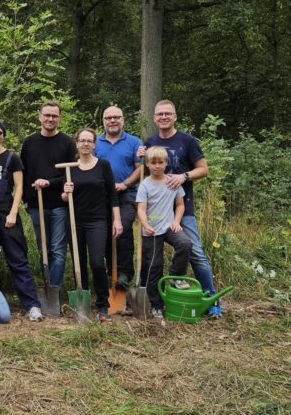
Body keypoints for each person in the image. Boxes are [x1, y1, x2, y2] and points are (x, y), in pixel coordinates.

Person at [139, 99, 222, 318]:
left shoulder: (187, 141)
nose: (164, 117)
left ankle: (212, 300)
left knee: (195, 252)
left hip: (182, 209)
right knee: (152, 260)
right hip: (156, 213)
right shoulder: (150, 141)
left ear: (175, 116)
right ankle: (156, 299)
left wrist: (183, 176)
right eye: (160, 114)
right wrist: (138, 158)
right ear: (154, 118)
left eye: (168, 113)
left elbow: (203, 169)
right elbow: (143, 170)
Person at [0, 120, 44, 322]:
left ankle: (32, 305)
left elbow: (19, 188)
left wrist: (13, 213)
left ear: (3, 135)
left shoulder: (12, 158)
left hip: (6, 215)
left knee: (17, 260)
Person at [61, 128, 122, 322]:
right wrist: (66, 191)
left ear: (95, 144)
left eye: (89, 141)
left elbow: (112, 195)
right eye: (82, 141)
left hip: (98, 220)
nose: (86, 144)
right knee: (78, 264)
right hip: (74, 221)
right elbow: (64, 198)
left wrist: (117, 219)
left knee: (97, 262)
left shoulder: (103, 165)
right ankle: (83, 303)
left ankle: (103, 304)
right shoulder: (70, 167)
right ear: (77, 143)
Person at [20, 101, 76, 288]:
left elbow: (71, 174)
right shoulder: (29, 143)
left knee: (58, 250)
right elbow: (24, 173)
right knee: (43, 249)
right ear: (40, 116)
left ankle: (54, 289)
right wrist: (26, 199)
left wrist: (49, 182)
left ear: (59, 118)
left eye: (54, 116)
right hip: (37, 205)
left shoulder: (67, 142)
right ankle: (46, 287)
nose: (50, 119)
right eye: (47, 115)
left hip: (60, 204)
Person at [136, 146, 191, 318]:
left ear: (166, 163)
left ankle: (175, 276)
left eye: (161, 162)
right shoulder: (145, 185)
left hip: (169, 226)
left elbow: (180, 205)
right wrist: (145, 224)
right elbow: (141, 209)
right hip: (151, 231)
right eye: (153, 163)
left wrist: (176, 221)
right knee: (154, 266)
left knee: (185, 243)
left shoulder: (172, 182)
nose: (157, 166)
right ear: (148, 164)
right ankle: (156, 305)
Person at [94, 105, 142, 291]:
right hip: (101, 197)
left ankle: (124, 273)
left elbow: (140, 168)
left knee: (123, 228)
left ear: (123, 119)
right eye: (108, 118)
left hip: (126, 195)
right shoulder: (95, 143)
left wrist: (125, 184)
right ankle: (108, 273)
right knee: (104, 232)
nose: (112, 121)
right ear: (103, 121)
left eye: (116, 117)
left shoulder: (134, 142)